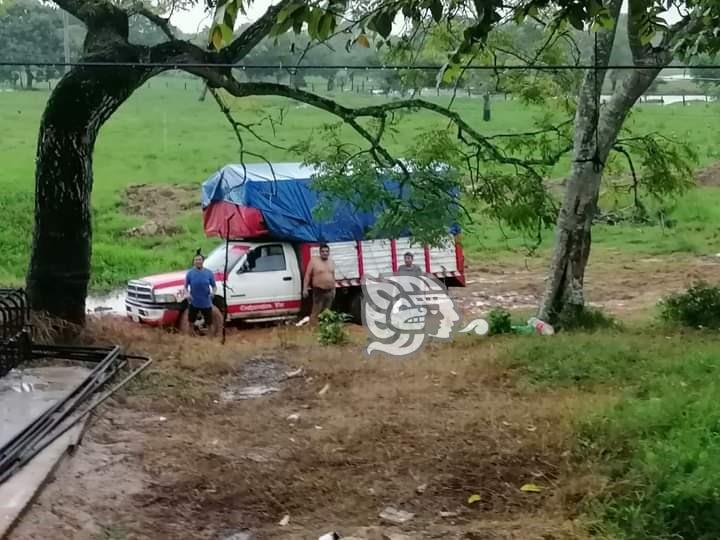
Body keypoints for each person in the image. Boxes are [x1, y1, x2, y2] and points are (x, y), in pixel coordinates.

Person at [303, 243, 336, 323]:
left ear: (329, 252)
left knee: (327, 312)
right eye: (323, 251)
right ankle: (312, 328)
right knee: (316, 312)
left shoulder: (331, 262)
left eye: (326, 251)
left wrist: (334, 290)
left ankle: (325, 329)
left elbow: (333, 276)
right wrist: (305, 288)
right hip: (319, 291)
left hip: (330, 291)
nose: (325, 253)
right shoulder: (314, 261)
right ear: (320, 252)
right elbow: (307, 275)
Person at [185, 252, 217, 334]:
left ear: (203, 261)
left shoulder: (208, 273)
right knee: (191, 322)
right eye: (196, 260)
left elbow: (214, 286)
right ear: (194, 262)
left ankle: (210, 339)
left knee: (209, 323)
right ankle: (191, 338)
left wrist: (213, 293)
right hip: (194, 301)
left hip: (206, 302)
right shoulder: (190, 273)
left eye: (199, 260)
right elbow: (185, 287)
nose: (198, 261)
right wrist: (188, 294)